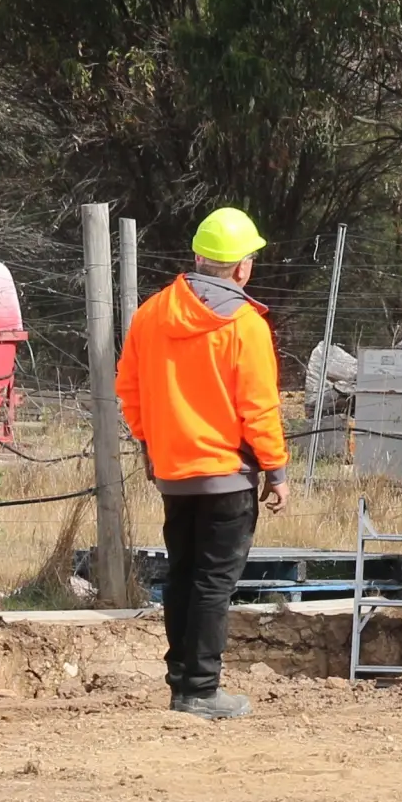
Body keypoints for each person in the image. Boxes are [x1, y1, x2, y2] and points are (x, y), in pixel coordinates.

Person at [116, 206, 293, 720]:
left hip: (174, 475)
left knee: (183, 575)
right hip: (227, 477)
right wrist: (276, 469)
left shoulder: (151, 314)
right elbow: (258, 406)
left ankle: (182, 683)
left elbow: (127, 388)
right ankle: (200, 689)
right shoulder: (244, 324)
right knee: (213, 582)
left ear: (197, 257)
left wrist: (153, 442)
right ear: (243, 268)